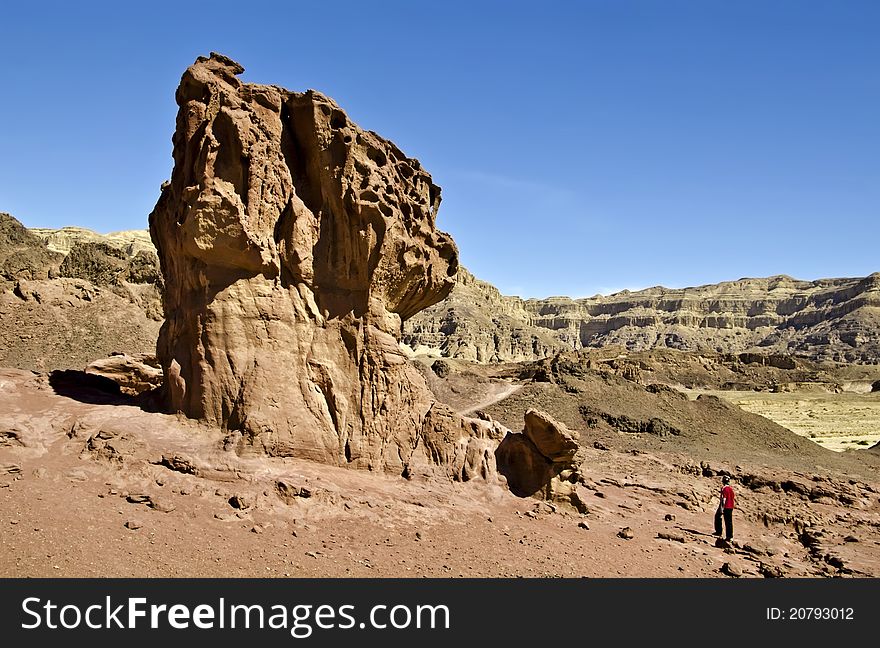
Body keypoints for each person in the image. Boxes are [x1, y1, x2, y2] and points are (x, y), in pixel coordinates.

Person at [713, 475, 735, 541]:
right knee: (729, 522)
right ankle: (730, 536)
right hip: (730, 506)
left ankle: (719, 532)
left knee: (719, 517)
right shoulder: (731, 489)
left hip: (725, 506)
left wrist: (721, 508)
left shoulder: (724, 489)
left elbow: (723, 499)